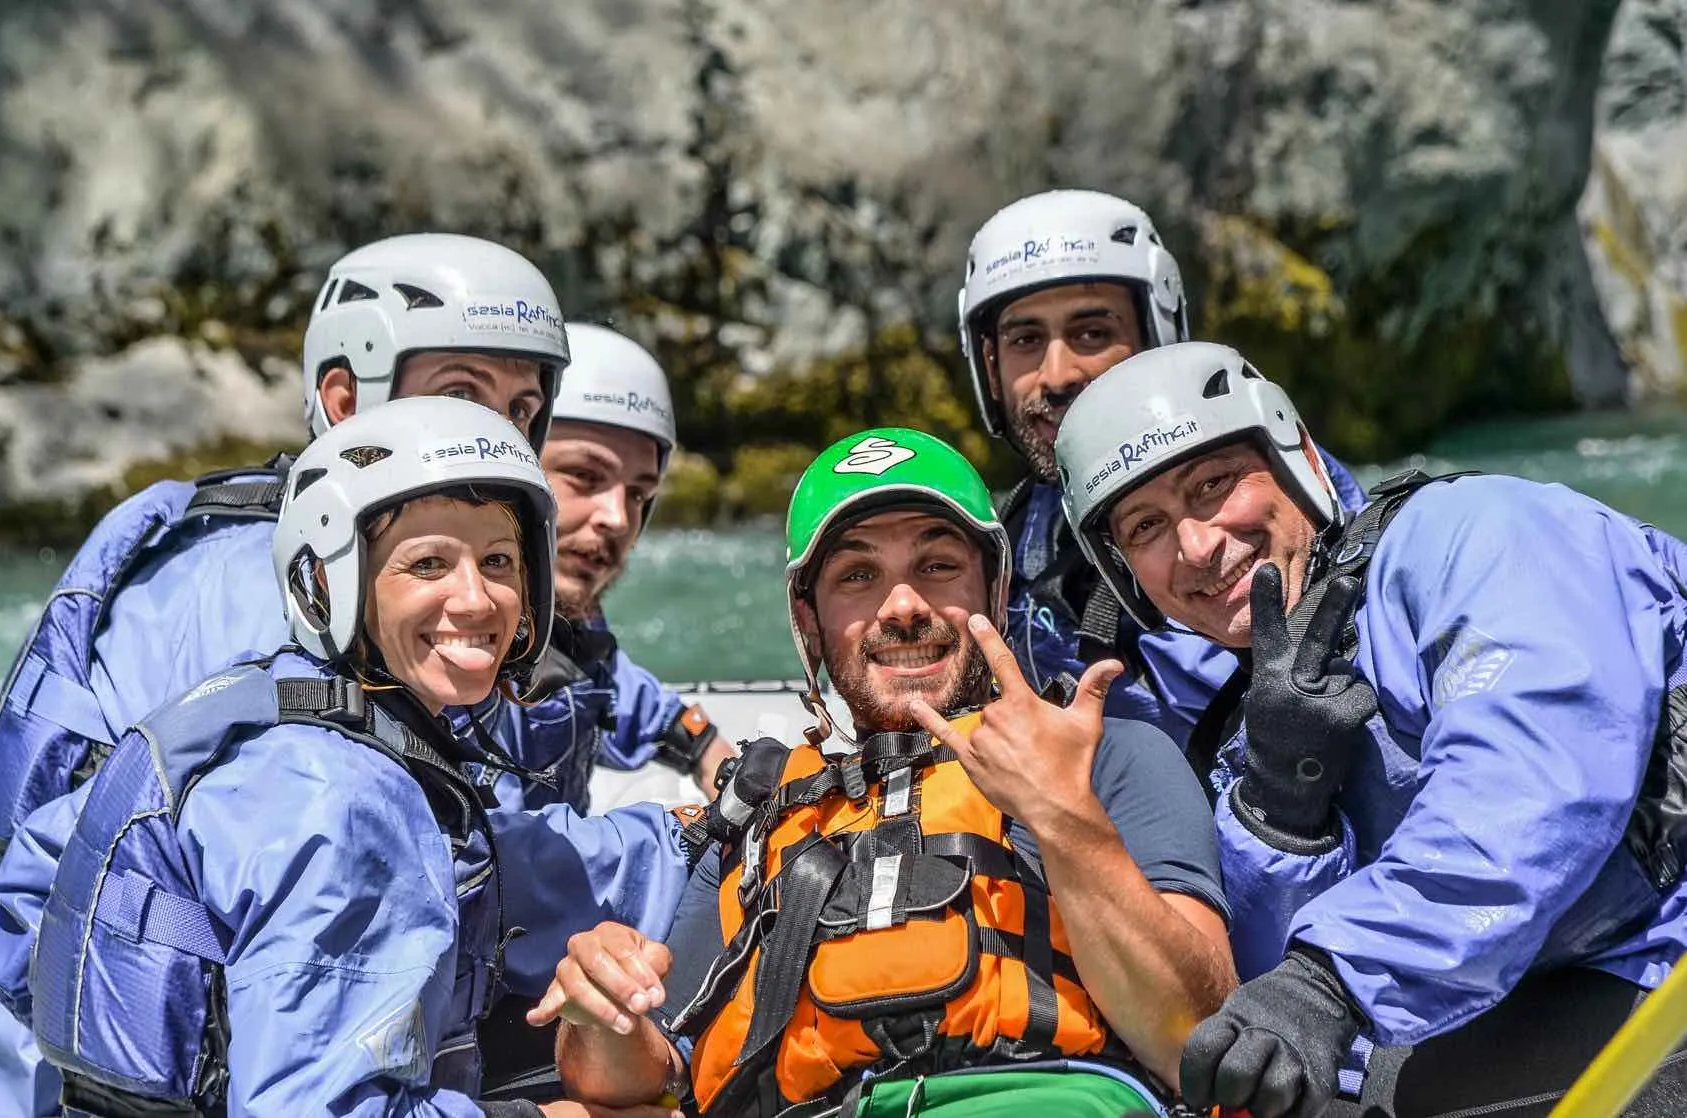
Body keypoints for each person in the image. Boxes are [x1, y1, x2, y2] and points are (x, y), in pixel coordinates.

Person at [0, 236, 687, 1117]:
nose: (497, 432)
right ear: (343, 398)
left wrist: (695, 820)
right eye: (461, 395)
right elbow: (391, 866)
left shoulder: (343, 617)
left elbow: (478, 839)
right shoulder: (282, 649)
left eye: (522, 409)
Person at [1051, 340, 1687, 1117]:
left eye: (1213, 485)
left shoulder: (1473, 532)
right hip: (1550, 992)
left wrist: (1330, 980)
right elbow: (1277, 1002)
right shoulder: (1246, 721)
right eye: (1146, 526)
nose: (1196, 546)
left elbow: (1535, 781)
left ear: (1295, 461)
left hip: (1658, 951)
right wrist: (1281, 816)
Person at [531, 428, 1238, 1117]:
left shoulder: (1110, 758)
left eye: (938, 566)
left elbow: (1195, 1037)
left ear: (993, 595)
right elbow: (640, 1077)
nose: (902, 607)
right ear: (810, 622)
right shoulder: (760, 813)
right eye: (858, 576)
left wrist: (1063, 818)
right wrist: (601, 1011)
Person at [956, 189, 1367, 746]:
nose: (1057, 375)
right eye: (1025, 340)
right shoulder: (1011, 533)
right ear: (990, 368)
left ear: (1157, 336)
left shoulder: (1286, 495)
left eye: (1092, 334)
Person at [491, 322, 736, 817]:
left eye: (639, 494)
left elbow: (629, 697)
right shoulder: (450, 644)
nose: (619, 518)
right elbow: (495, 849)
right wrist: (681, 835)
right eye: (584, 476)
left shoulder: (566, 624)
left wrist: (716, 756)